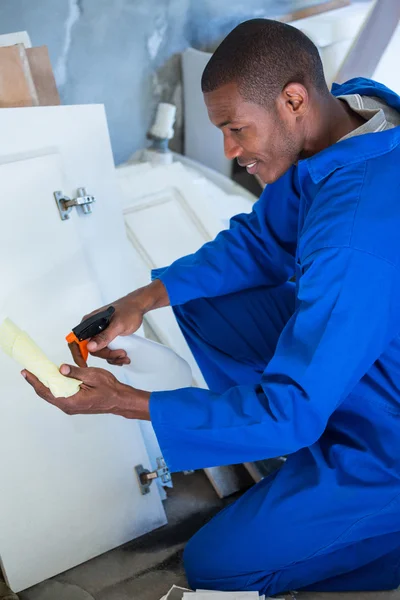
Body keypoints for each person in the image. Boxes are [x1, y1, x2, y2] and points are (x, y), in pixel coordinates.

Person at [24, 19, 400, 597]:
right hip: (371, 359)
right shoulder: (356, 118)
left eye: (235, 129)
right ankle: (294, 459)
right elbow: (263, 241)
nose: (230, 150)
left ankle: (369, 524)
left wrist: (128, 403)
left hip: (389, 448)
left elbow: (293, 406)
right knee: (202, 302)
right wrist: (142, 300)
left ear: (293, 100)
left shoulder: (354, 230)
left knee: (215, 566)